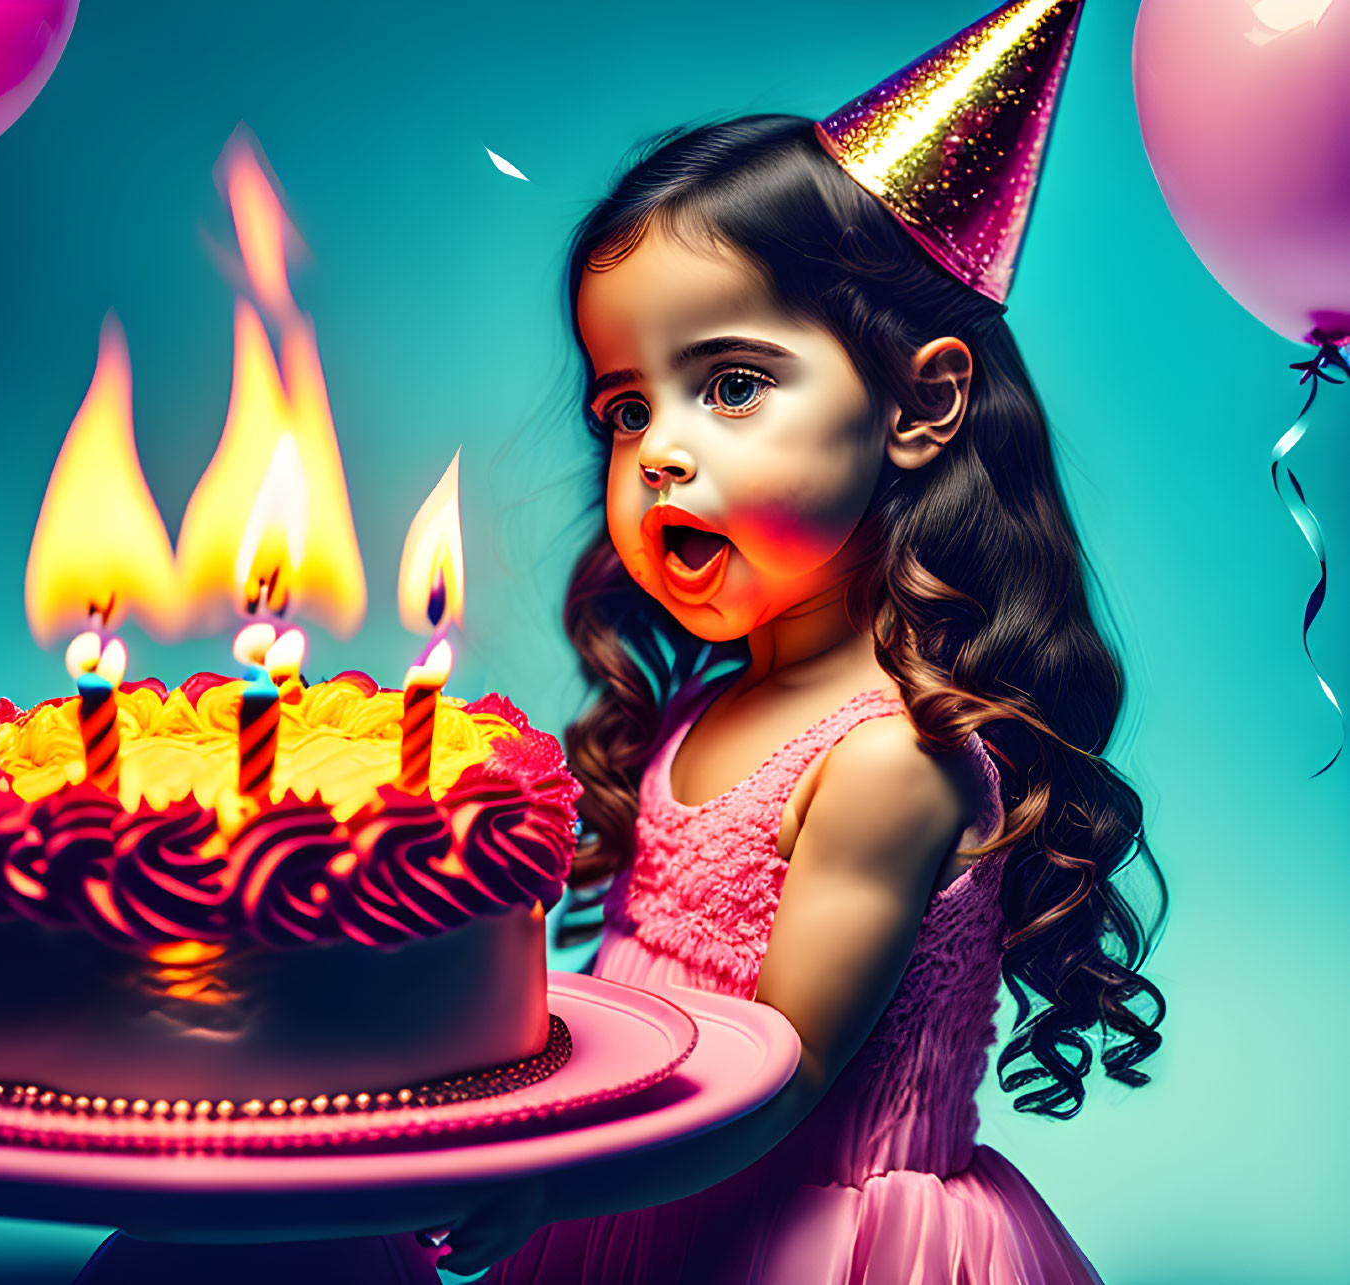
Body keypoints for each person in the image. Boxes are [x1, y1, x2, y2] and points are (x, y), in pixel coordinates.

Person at [429, 7, 1168, 1279]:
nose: (657, 449)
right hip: (638, 1209)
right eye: (623, 405)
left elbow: (781, 1075)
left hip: (808, 1238)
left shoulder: (890, 762)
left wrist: (548, 1167)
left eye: (729, 385)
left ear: (920, 402)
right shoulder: (701, 710)